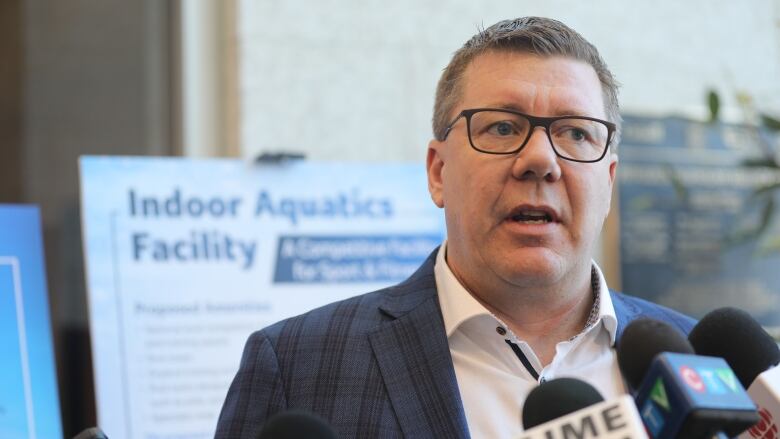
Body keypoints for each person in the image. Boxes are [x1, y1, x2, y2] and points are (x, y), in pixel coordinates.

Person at [215, 16, 695, 438]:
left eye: (574, 132)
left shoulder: (706, 364)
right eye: (503, 128)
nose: (540, 161)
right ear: (438, 172)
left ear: (608, 181)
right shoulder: (298, 366)